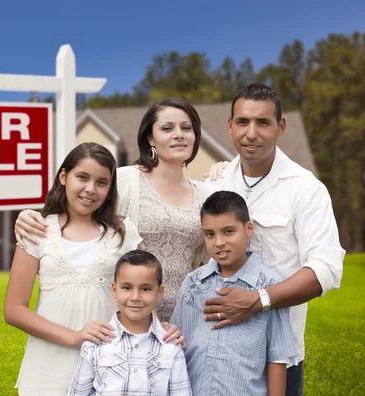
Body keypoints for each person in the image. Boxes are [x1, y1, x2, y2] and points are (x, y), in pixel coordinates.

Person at [201, 83, 345, 395]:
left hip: (278, 355)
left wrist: (258, 300)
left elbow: (326, 270)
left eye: (263, 122)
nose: (251, 133)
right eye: (242, 122)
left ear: (280, 126)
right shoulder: (214, 183)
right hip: (216, 351)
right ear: (230, 126)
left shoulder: (306, 189)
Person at [15, 98, 210, 323]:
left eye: (187, 128)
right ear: (150, 138)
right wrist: (27, 216)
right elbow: (79, 210)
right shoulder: (125, 180)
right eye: (167, 128)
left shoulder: (205, 193)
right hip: (125, 316)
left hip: (186, 316)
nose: (179, 134)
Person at [4, 142, 144, 395]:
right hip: (47, 368)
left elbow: (143, 294)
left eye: (102, 182)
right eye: (82, 177)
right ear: (64, 177)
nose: (91, 189)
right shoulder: (37, 231)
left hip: (108, 365)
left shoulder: (123, 233)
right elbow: (14, 310)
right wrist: (75, 336)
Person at [171, 191, 296, 396]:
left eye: (228, 231)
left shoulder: (270, 286)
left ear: (248, 229)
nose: (219, 242)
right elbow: (176, 346)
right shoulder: (193, 284)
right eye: (210, 234)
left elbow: (277, 357)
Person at [67, 250, 192, 396]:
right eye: (127, 288)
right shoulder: (96, 343)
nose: (135, 297)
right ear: (114, 289)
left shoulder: (171, 346)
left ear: (160, 292)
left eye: (145, 289)